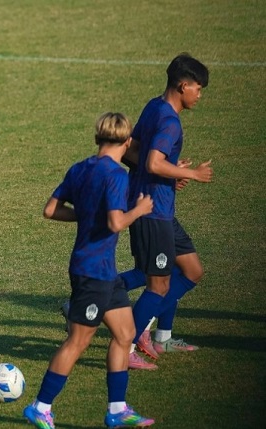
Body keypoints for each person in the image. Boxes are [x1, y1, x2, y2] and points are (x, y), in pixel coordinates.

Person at [23, 113, 154, 429]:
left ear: (98, 138)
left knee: (125, 334)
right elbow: (115, 222)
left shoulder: (79, 169)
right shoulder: (117, 175)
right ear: (127, 142)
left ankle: (117, 410)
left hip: (104, 272)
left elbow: (50, 210)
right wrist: (139, 210)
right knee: (78, 342)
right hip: (92, 272)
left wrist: (85, 215)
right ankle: (40, 407)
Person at [124, 53, 212, 370]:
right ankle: (125, 346)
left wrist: (170, 173)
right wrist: (190, 174)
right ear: (183, 85)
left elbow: (130, 150)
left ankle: (162, 336)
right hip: (153, 212)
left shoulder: (154, 106)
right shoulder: (170, 122)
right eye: (198, 88)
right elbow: (152, 162)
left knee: (191, 270)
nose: (199, 95)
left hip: (159, 207)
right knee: (157, 284)